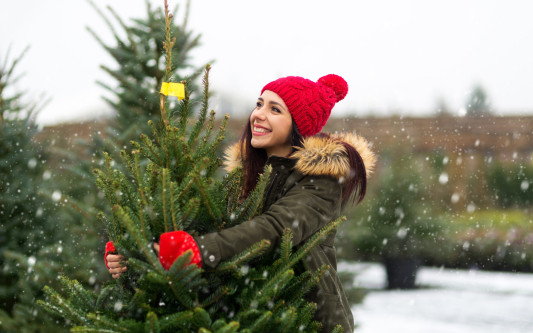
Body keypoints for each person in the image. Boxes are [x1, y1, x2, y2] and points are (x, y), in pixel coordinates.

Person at [105, 74, 376, 332]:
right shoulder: (245, 177)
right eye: (259, 104)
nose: (258, 114)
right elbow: (217, 228)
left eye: (275, 109)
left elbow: (275, 228)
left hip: (306, 318)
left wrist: (196, 250)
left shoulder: (322, 182)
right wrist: (136, 252)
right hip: (247, 314)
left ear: (298, 125)